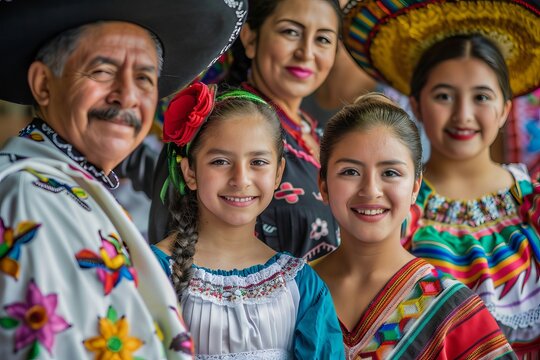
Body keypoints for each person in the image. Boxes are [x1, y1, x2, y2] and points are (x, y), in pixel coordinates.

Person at [0, 1, 246, 358]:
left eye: (144, 79)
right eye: (102, 71)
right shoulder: (29, 198)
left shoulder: (72, 190)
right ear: (43, 84)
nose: (127, 95)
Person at [341, 0, 540, 356]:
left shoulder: (534, 207)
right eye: (444, 96)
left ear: (505, 109)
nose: (463, 115)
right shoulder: (389, 210)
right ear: (416, 105)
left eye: (481, 96)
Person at [314, 93, 516, 359]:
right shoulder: (292, 291)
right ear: (324, 185)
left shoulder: (450, 309)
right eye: (350, 171)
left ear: (415, 188)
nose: (371, 190)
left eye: (390, 173)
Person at [151, 82, 345, 358]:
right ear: (190, 172)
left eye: (258, 162)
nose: (240, 179)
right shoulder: (150, 272)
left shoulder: (301, 285)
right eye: (220, 161)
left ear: (278, 173)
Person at [149, 0, 342, 262]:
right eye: (291, 32)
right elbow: (176, 240)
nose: (306, 52)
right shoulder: (217, 124)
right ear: (250, 38)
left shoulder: (321, 137)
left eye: (323, 39)